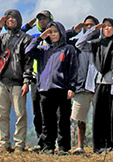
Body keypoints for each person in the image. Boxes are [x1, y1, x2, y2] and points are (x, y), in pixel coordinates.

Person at [76, 18, 113, 154]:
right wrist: (93, 30)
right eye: (105, 26)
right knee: (99, 117)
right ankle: (100, 146)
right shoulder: (96, 44)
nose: (107, 29)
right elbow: (80, 44)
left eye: (109, 26)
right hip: (99, 85)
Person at [0, 9, 34, 152]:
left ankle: (19, 145)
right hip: (2, 82)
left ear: (19, 20)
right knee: (1, 115)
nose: (10, 20)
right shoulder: (1, 38)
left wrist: (26, 81)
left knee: (20, 115)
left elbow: (28, 61)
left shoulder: (26, 39)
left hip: (18, 82)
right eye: (8, 18)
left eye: (13, 18)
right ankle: (4, 143)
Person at [25, 21, 78, 154]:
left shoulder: (68, 49)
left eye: (55, 32)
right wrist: (39, 38)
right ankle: (48, 146)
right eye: (50, 32)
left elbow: (73, 69)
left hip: (62, 89)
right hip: (44, 89)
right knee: (47, 120)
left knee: (63, 120)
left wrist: (72, 87)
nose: (53, 34)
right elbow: (28, 51)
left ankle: (64, 147)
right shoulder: (43, 50)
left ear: (61, 33)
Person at [22, 9, 54, 150]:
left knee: (52, 112)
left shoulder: (56, 36)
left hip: (52, 80)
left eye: (45, 19)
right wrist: (27, 27)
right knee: (37, 112)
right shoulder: (35, 37)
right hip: (36, 79)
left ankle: (52, 142)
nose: (42, 22)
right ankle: (42, 142)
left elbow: (70, 33)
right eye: (40, 19)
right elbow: (19, 35)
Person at [69, 16, 99, 154]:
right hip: (81, 86)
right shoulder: (78, 44)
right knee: (80, 119)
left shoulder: (101, 44)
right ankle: (80, 146)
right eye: (86, 25)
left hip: (98, 86)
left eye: (92, 25)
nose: (89, 27)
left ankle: (100, 146)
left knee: (99, 118)